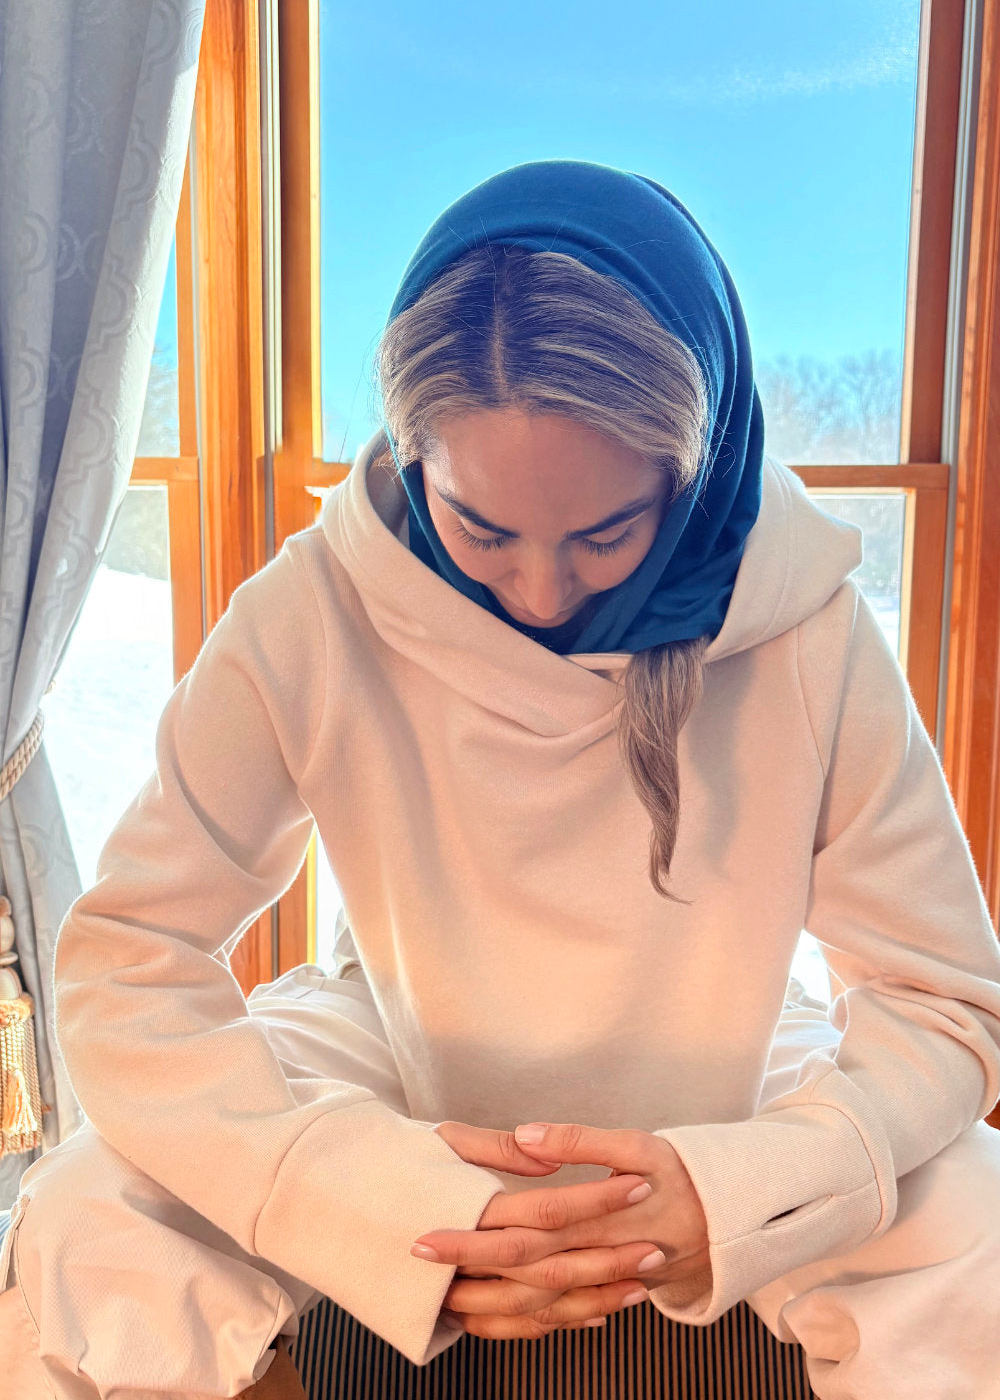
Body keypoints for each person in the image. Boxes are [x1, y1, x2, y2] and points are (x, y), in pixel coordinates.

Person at [1, 158, 1000, 1400]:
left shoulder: (805, 628)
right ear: (418, 462)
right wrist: (338, 1189)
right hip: (395, 1050)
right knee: (89, 1215)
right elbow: (130, 957)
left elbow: (942, 998)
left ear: (692, 474)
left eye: (606, 535)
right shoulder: (314, 611)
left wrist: (749, 1189)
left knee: (982, 1238)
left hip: (737, 1070)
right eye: (479, 529)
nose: (537, 595)